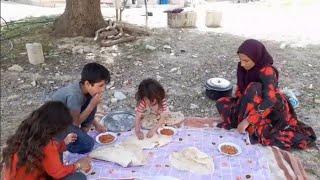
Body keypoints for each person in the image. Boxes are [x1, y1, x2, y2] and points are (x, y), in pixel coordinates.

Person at [216, 39, 316, 150]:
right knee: (221, 103)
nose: (242, 64)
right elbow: (240, 90)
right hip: (251, 100)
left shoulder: (267, 71)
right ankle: (244, 121)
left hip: (270, 108)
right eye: (241, 60)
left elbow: (270, 101)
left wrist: (247, 120)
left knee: (253, 88)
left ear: (256, 58)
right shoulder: (242, 66)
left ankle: (250, 124)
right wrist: (240, 107)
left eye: (246, 61)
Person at [1, 101, 91, 180]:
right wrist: (78, 165)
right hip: (35, 177)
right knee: (79, 177)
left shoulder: (28, 131)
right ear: (55, 127)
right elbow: (57, 173)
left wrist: (63, 144)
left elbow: (43, 153)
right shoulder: (47, 144)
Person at [52, 62, 110, 154]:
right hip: (55, 126)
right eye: (100, 85)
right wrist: (92, 105)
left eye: (104, 85)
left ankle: (81, 132)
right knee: (88, 144)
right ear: (87, 83)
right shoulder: (75, 95)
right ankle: (61, 145)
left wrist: (96, 124)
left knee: (92, 102)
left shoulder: (85, 90)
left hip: (68, 118)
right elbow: (75, 123)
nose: (103, 89)